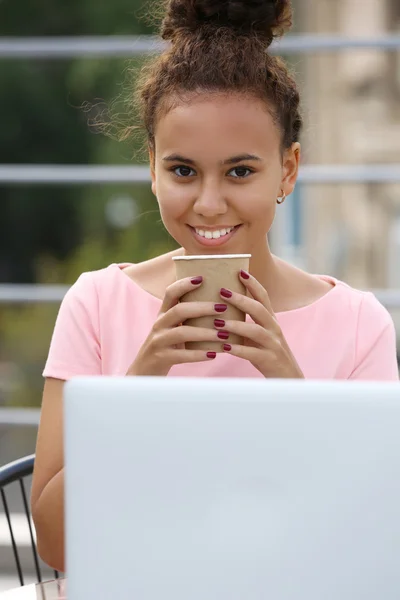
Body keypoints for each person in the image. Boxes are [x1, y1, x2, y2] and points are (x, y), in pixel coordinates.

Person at [31, 0, 399, 572]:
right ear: (151, 167)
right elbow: (56, 546)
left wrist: (291, 388)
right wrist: (139, 387)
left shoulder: (357, 324)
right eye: (182, 171)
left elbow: (369, 541)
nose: (208, 203)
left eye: (240, 171)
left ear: (289, 169)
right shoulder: (98, 304)